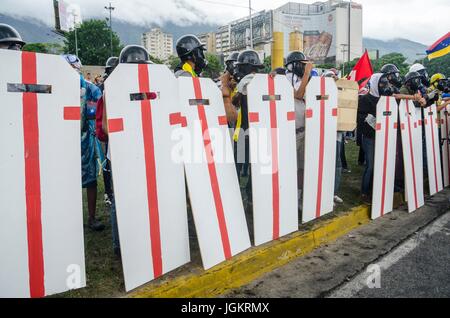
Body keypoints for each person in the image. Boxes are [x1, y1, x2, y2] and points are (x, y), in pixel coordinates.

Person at [97, 45, 152, 257]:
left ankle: (140, 237)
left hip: (142, 152)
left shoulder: (147, 90)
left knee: (141, 196)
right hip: (120, 155)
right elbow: (106, 127)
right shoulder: (112, 90)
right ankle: (120, 246)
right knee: (119, 201)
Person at [63, 54, 105, 232]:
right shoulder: (56, 88)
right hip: (62, 142)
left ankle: (91, 217)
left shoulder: (91, 89)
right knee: (63, 181)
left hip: (86, 141)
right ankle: (66, 218)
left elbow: (99, 114)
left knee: (91, 180)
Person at [232, 50, 265, 207]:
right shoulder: (263, 82)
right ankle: (253, 197)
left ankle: (237, 196)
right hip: (259, 131)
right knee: (256, 166)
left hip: (244, 131)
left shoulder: (245, 81)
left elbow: (235, 101)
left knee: (239, 165)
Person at [357, 73, 396, 203]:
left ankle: (377, 189)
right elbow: (360, 118)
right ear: (374, 84)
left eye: (386, 83)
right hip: (369, 137)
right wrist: (371, 119)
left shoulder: (386, 99)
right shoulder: (364, 99)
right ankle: (364, 192)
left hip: (383, 136)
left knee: (381, 164)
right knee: (371, 165)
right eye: (381, 83)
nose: (384, 86)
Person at [284, 51, 313, 208]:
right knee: (290, 167)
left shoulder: (304, 79)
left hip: (304, 130)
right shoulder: (286, 79)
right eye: (302, 64)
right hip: (291, 132)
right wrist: (307, 73)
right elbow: (298, 94)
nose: (305, 67)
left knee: (302, 166)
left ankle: (299, 197)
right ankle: (289, 196)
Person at [98, 56, 118, 207]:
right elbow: (104, 125)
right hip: (114, 141)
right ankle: (108, 193)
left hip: (122, 140)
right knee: (108, 166)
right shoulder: (106, 90)